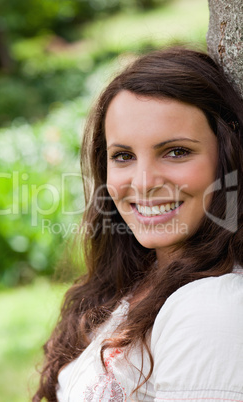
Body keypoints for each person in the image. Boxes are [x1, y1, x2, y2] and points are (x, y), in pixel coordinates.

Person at [33, 47, 243, 401]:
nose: (143, 182)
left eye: (176, 151)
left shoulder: (212, 307)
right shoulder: (136, 280)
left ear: (227, 158)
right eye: (123, 156)